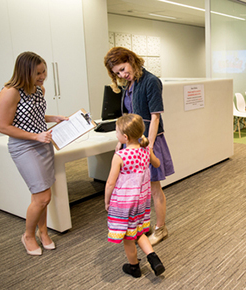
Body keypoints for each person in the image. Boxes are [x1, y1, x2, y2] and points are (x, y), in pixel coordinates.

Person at [0, 52, 68, 255]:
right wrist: (36, 137)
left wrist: (53, 117)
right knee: (43, 196)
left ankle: (43, 232)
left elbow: (33, 116)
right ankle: (28, 235)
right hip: (24, 146)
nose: (43, 76)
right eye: (38, 73)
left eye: (44, 71)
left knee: (42, 194)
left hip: (42, 143)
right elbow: (3, 126)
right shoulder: (10, 92)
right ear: (24, 72)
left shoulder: (39, 90)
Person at [104, 47, 174, 245]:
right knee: (137, 188)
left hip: (148, 140)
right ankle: (142, 226)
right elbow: (129, 117)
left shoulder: (151, 81)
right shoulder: (129, 84)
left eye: (123, 69)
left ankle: (161, 229)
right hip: (133, 141)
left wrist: (149, 146)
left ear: (132, 60)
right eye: (117, 73)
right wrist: (121, 141)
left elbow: (155, 116)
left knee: (154, 188)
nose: (122, 74)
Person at [105, 114, 165, 278]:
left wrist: (106, 201)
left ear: (125, 137)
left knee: (128, 238)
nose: (116, 135)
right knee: (138, 233)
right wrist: (150, 151)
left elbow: (110, 183)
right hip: (141, 202)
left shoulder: (120, 156)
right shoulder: (145, 151)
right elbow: (157, 164)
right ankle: (154, 259)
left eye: (116, 132)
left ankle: (134, 267)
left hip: (124, 204)